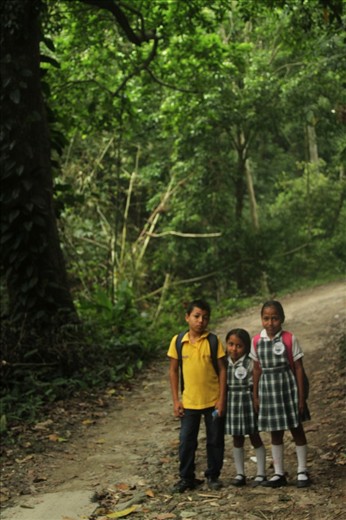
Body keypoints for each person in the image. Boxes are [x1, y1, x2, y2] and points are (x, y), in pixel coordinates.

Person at [167, 299, 227, 493]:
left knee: (215, 440)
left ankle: (213, 475)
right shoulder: (178, 341)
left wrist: (221, 399)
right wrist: (176, 400)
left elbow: (222, 370)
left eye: (205, 317)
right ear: (187, 317)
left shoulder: (212, 341)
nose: (201, 321)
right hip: (189, 402)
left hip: (212, 401)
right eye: (196, 316)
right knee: (186, 441)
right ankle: (186, 478)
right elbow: (174, 371)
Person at [250, 300, 311, 488]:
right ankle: (278, 473)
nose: (270, 323)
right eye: (266, 318)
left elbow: (299, 368)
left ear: (282, 319)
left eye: (275, 318)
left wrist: (301, 397)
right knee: (275, 432)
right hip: (268, 391)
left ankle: (302, 470)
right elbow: (256, 369)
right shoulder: (257, 341)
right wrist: (255, 395)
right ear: (261, 319)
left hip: (288, 388)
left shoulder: (289, 339)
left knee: (296, 428)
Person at [225, 328, 266, 487]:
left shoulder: (250, 363)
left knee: (254, 435)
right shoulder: (224, 362)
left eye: (239, 346)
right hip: (232, 402)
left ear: (246, 347)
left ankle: (261, 473)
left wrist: (256, 398)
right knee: (237, 437)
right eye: (231, 344)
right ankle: (240, 473)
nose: (234, 349)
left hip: (247, 400)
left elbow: (256, 382)